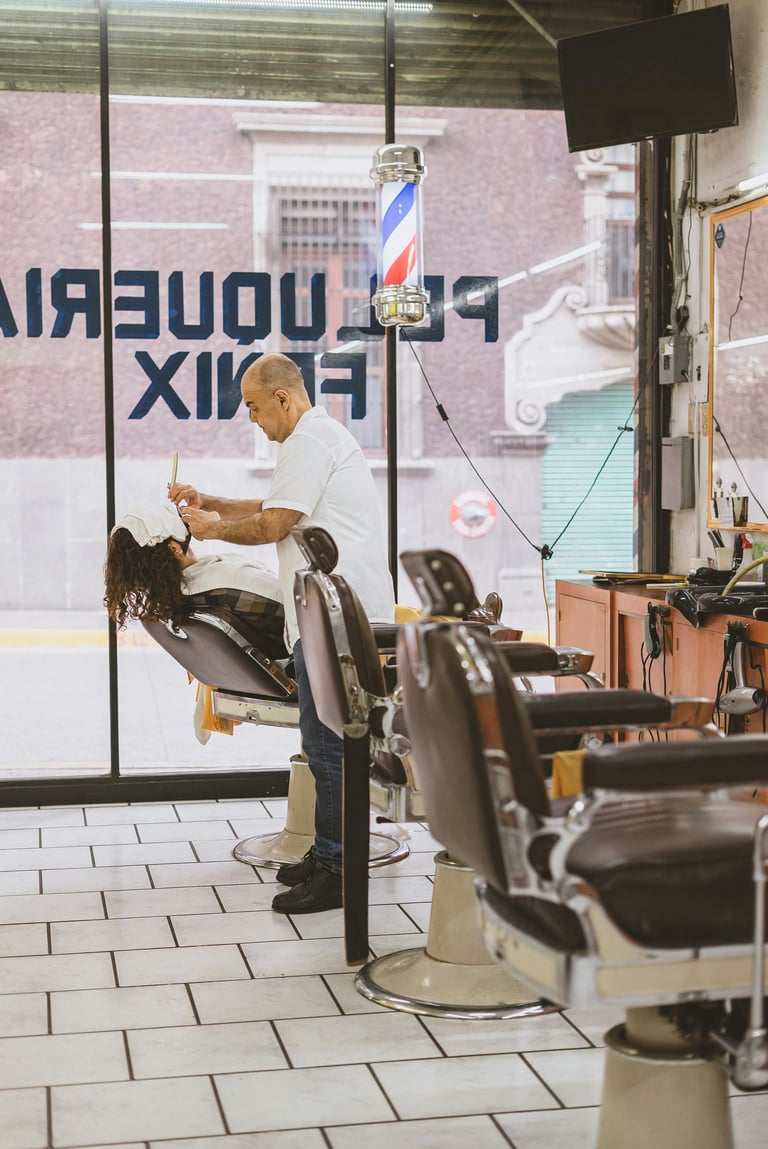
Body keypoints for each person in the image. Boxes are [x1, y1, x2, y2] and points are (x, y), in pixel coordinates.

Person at [169, 351, 395, 915]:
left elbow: (274, 523)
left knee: (331, 747)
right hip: (323, 616)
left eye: (253, 407)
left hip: (339, 621)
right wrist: (213, 504)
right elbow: (279, 506)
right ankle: (327, 854)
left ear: (282, 398)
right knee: (321, 745)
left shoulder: (310, 442)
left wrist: (213, 530)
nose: (252, 419)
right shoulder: (313, 441)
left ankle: (339, 869)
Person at [104, 501, 286, 660]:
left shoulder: (177, 590)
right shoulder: (225, 583)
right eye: (167, 517)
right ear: (174, 549)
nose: (178, 511)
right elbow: (289, 606)